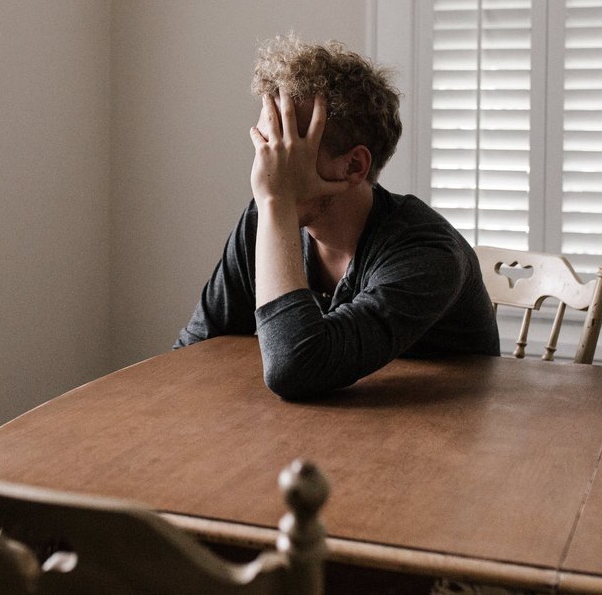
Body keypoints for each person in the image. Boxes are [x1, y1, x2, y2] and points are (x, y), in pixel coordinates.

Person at [174, 33, 500, 399]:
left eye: (286, 148)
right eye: (265, 145)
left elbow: (295, 368)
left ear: (354, 166)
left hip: (442, 437)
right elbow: (192, 353)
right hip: (320, 431)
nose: (265, 168)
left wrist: (277, 203)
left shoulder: (428, 253)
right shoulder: (264, 220)